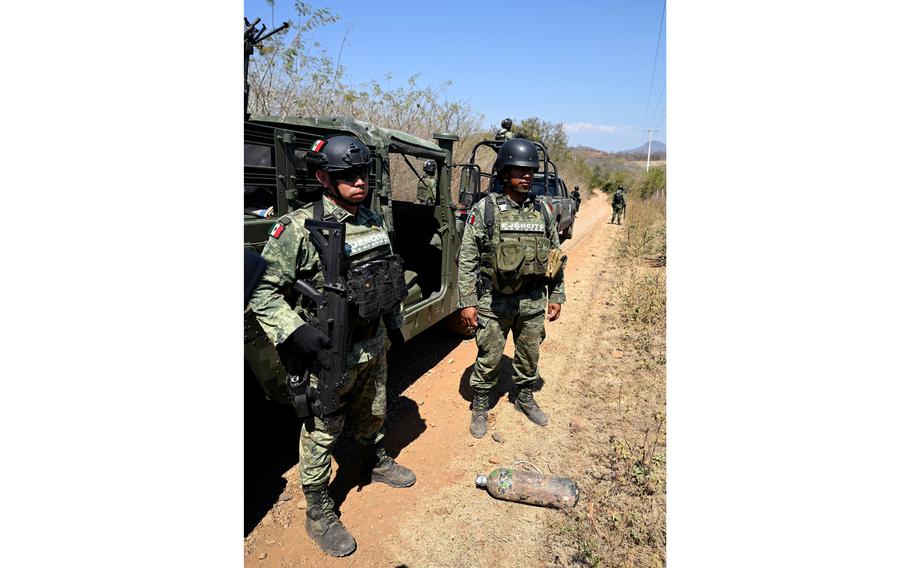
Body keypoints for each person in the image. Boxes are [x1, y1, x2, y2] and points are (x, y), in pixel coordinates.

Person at [249, 134, 415, 558]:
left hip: (371, 342)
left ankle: (374, 460)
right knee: (322, 430)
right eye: (348, 175)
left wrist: (394, 325)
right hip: (326, 350)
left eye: (364, 174)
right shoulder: (299, 228)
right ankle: (319, 508)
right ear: (324, 177)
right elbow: (261, 292)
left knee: (374, 408)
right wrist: (294, 331)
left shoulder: (373, 220)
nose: (360, 182)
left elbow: (386, 277)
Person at [456, 138, 566, 438]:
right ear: (505, 173)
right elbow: (467, 257)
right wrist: (467, 301)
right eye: (519, 170)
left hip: (532, 300)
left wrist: (556, 295)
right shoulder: (487, 209)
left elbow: (555, 256)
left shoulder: (542, 209)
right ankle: (480, 403)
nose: (526, 176)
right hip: (494, 301)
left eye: (530, 171)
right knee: (489, 355)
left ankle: (525, 397)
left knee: (530, 353)